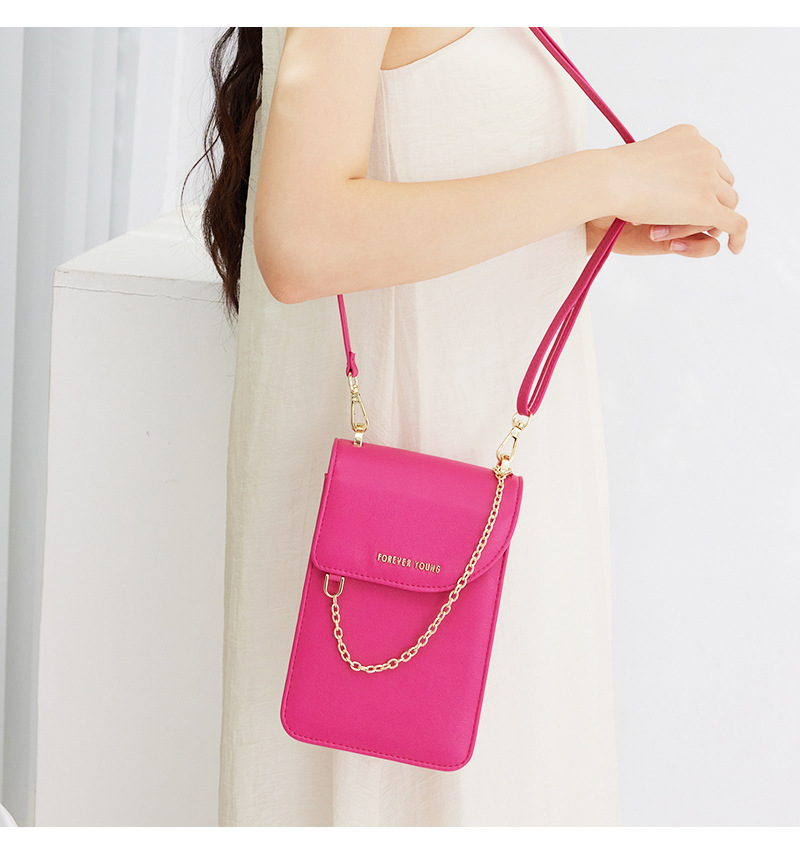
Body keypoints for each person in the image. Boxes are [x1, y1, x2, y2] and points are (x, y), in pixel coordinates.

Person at [187, 27, 746, 827]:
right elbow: (304, 238)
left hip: (500, 503)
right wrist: (610, 174)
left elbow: (427, 157)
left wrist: (602, 215)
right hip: (413, 514)